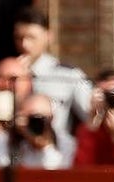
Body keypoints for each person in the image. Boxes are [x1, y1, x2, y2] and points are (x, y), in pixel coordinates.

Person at [11, 7, 90, 147]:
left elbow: (91, 115)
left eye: (31, 37)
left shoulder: (68, 74)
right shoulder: (5, 73)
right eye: (19, 38)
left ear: (48, 36)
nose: (24, 44)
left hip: (54, 153)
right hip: (15, 153)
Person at [0, 90, 72, 169]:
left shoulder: (64, 142)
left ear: (52, 118)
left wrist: (45, 147)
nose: (36, 122)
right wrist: (22, 133)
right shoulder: (8, 140)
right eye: (31, 118)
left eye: (40, 118)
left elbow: (57, 175)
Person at [73, 67, 114, 166]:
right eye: (104, 93)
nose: (109, 97)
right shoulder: (92, 129)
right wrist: (92, 117)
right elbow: (81, 168)